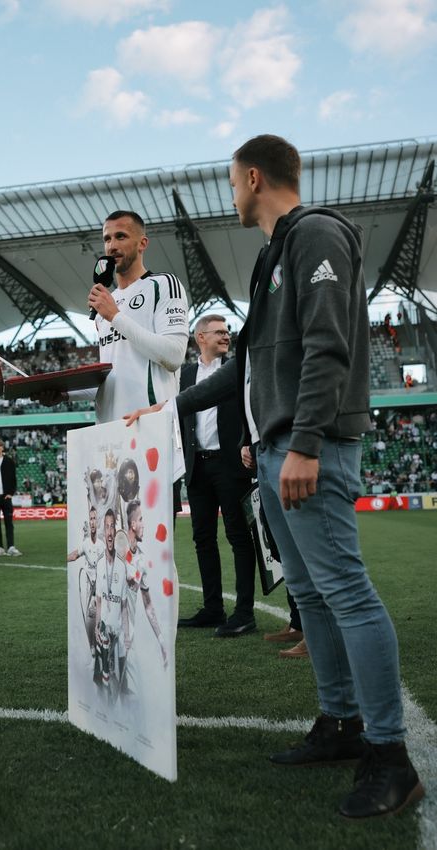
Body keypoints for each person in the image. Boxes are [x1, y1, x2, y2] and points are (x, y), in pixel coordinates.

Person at [226, 134, 423, 818]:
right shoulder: (273, 254)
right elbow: (250, 363)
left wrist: (304, 441)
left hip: (311, 445)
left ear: (253, 177)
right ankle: (340, 723)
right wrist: (181, 410)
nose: (233, 194)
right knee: (310, 592)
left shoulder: (315, 235)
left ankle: (391, 756)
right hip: (279, 443)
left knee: (346, 591)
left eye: (233, 182)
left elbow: (328, 344)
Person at [38, 210, 189, 424]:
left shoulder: (163, 284)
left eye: (121, 236)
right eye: (107, 239)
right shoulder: (105, 302)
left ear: (142, 243)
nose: (112, 245)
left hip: (152, 424)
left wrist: (115, 316)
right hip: (109, 429)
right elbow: (112, 379)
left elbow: (173, 356)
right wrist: (65, 395)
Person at [175, 315, 257, 637]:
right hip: (197, 466)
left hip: (231, 465)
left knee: (238, 537)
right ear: (200, 337)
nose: (226, 336)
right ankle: (213, 608)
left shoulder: (237, 369)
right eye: (219, 331)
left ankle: (244, 612)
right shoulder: (184, 375)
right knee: (203, 539)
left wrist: (247, 444)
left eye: (227, 331)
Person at [122, 499, 167, 693]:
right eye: (141, 519)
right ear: (133, 524)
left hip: (126, 642)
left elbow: (148, 606)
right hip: (112, 636)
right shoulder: (117, 550)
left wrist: (162, 641)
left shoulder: (140, 560)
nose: (144, 524)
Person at [93, 509, 127, 699]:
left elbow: (123, 605)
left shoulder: (122, 566)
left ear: (116, 530)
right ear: (103, 532)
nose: (109, 531)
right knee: (103, 673)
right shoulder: (99, 564)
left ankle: (122, 692)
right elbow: (98, 600)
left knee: (120, 685)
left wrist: (127, 632)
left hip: (119, 627)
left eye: (112, 526)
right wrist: (98, 624)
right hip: (105, 626)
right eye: (106, 527)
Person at [67, 505, 104, 653]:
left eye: (95, 519)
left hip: (100, 589)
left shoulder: (102, 546)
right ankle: (92, 649)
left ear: (98, 522)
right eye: (91, 519)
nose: (93, 522)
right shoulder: (86, 544)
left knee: (98, 618)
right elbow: (75, 555)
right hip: (90, 589)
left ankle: (99, 648)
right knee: (91, 618)